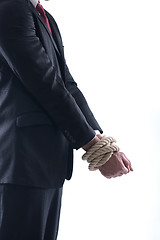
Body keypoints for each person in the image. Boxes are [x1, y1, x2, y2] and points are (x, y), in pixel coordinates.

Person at [0, 0, 133, 239]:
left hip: (45, 162)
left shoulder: (44, 17)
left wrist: (102, 142)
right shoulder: (10, 7)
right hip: (20, 162)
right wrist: (93, 147)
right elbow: (44, 83)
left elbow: (66, 84)